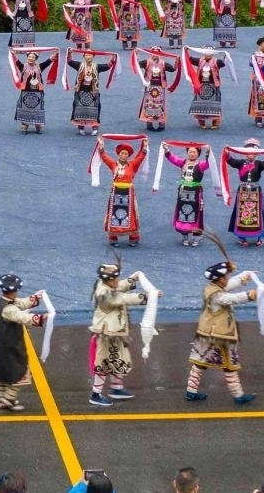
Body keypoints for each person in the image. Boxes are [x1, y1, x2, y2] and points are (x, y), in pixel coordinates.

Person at [186, 260, 258, 404]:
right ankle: (238, 395)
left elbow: (229, 286)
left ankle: (191, 391)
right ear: (219, 279)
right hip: (218, 335)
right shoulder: (216, 295)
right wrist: (249, 295)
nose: (228, 279)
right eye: (226, 277)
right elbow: (231, 298)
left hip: (207, 332)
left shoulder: (212, 287)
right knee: (229, 365)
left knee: (200, 362)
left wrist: (243, 277)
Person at [89, 263, 151, 406]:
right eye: (115, 278)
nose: (118, 281)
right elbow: (122, 298)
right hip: (107, 334)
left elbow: (118, 288)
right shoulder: (104, 294)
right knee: (104, 363)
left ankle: (116, 388)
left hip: (114, 332)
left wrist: (131, 280)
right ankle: (95, 394)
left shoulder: (105, 285)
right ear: (109, 280)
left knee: (117, 359)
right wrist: (146, 297)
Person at [0, 274, 46, 412]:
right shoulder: (8, 309)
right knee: (19, 373)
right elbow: (22, 316)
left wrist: (35, 298)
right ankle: (8, 399)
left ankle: (2, 399)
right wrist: (39, 319)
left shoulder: (4, 302)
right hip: (11, 348)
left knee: (1, 375)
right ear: (15, 290)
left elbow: (22, 303)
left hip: (1, 348)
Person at [225, 141, 264, 247]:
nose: (251, 155)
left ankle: (261, 236)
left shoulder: (259, 164)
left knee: (258, 214)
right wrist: (227, 153)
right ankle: (242, 237)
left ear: (256, 154)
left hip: (255, 191)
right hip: (242, 191)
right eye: (249, 153)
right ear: (245, 154)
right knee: (241, 214)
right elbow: (230, 161)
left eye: (253, 153)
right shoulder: (240, 163)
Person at [97, 139, 145, 246]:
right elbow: (104, 157)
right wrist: (101, 146)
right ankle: (113, 238)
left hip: (128, 193)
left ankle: (133, 237)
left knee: (130, 214)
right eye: (122, 153)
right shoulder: (113, 164)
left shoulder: (133, 164)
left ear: (128, 156)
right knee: (113, 214)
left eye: (126, 153)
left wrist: (145, 146)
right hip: (116, 193)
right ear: (118, 154)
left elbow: (141, 157)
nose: (124, 155)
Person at [167, 142, 212, 246]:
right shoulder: (183, 163)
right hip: (183, 193)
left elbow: (208, 163)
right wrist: (166, 150)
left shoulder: (201, 165)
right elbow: (173, 159)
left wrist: (208, 153)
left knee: (197, 214)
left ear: (198, 153)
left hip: (196, 193)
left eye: (194, 152)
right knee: (182, 213)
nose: (192, 154)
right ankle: (185, 236)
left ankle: (196, 237)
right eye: (190, 152)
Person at [68, 49, 114, 135]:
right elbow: (69, 61)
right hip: (81, 91)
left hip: (93, 91)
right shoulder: (79, 65)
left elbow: (108, 66)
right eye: (86, 55)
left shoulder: (97, 66)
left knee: (96, 108)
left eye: (90, 55)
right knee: (78, 108)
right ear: (84, 56)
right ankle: (81, 126)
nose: (88, 56)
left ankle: (95, 126)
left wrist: (113, 58)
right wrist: (69, 53)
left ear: (93, 56)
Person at [135, 47, 178, 132]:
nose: (155, 55)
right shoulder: (146, 62)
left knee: (160, 105)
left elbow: (173, 69)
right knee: (149, 105)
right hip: (149, 87)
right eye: (153, 53)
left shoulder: (163, 63)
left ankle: (161, 124)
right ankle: (149, 124)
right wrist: (136, 55)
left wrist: (176, 61)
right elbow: (136, 65)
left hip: (160, 88)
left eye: (157, 54)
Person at [186, 49, 226, 130]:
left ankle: (216, 122)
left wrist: (225, 56)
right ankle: (201, 122)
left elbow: (222, 64)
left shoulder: (216, 61)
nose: (208, 54)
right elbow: (189, 59)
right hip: (201, 86)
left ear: (213, 54)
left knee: (215, 103)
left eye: (210, 53)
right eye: (206, 53)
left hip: (214, 86)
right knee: (201, 103)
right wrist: (186, 50)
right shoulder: (200, 61)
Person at [10, 48, 48, 134]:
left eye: (32, 57)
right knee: (25, 108)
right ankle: (24, 127)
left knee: (38, 108)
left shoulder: (39, 67)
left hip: (37, 92)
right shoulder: (23, 67)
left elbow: (48, 61)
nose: (30, 58)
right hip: (26, 92)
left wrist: (56, 53)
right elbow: (16, 61)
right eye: (29, 57)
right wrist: (13, 53)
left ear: (36, 59)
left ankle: (38, 126)